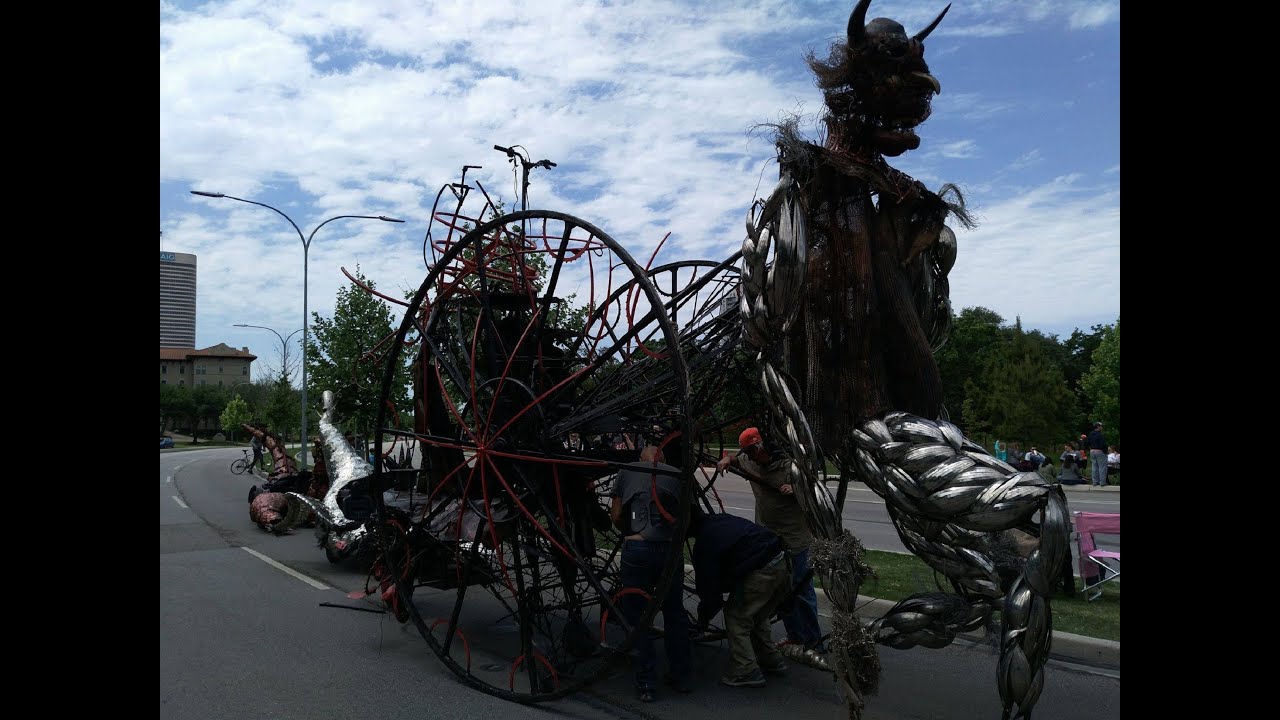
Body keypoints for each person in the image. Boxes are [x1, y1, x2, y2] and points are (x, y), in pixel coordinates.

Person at [717, 427, 824, 655]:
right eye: (746, 452)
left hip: (797, 540)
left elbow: (815, 487)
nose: (749, 456)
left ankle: (814, 643)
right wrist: (727, 459)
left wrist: (797, 488)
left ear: (760, 446)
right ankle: (795, 636)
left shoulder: (789, 466)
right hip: (771, 542)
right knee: (780, 592)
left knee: (803, 592)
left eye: (751, 451)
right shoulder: (751, 462)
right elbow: (736, 459)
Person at [609, 445, 691, 702]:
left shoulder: (628, 471)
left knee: (638, 616)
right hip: (669, 550)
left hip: (638, 547)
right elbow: (687, 519)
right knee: (674, 612)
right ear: (663, 458)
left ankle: (646, 683)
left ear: (641, 458)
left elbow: (617, 515)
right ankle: (681, 676)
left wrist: (630, 530)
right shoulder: (678, 474)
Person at [688, 508, 791, 688]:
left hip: (763, 569)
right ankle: (771, 659)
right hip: (782, 562)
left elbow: (711, 594)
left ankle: (746, 670)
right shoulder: (720, 520)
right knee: (757, 615)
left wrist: (702, 621)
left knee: (737, 617)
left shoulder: (705, 544)